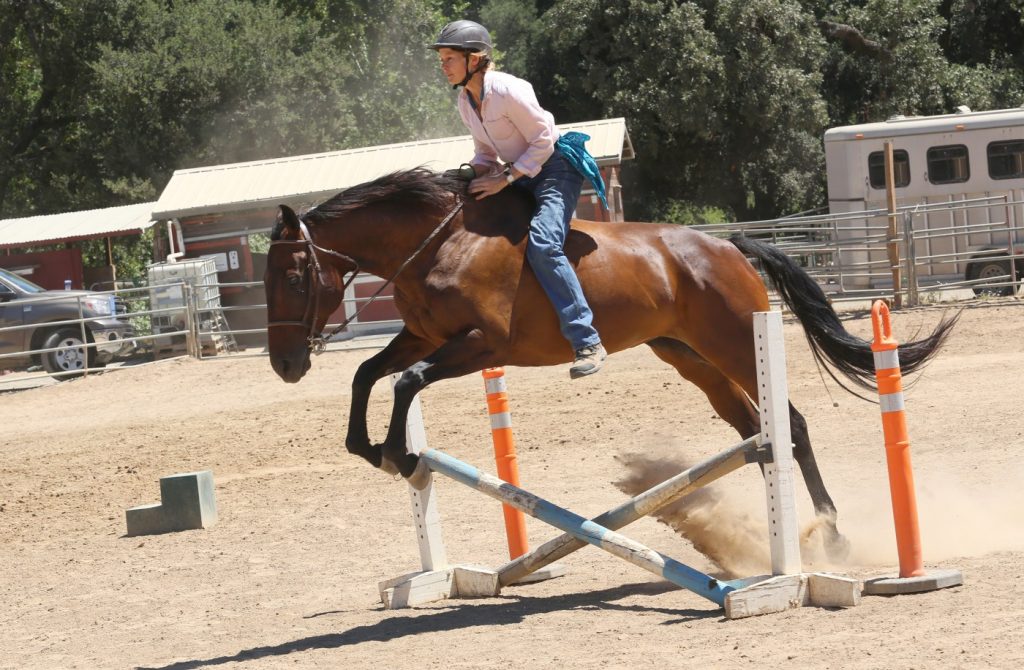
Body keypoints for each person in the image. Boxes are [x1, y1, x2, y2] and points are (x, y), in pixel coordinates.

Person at [430, 20, 607, 379]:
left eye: (450, 58)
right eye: (442, 59)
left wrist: (506, 179)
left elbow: (543, 141)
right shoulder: (466, 101)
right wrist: (468, 174)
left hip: (555, 169)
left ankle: (587, 340)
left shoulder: (509, 90)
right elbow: (484, 154)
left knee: (543, 244)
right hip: (521, 173)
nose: (443, 65)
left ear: (475, 58)